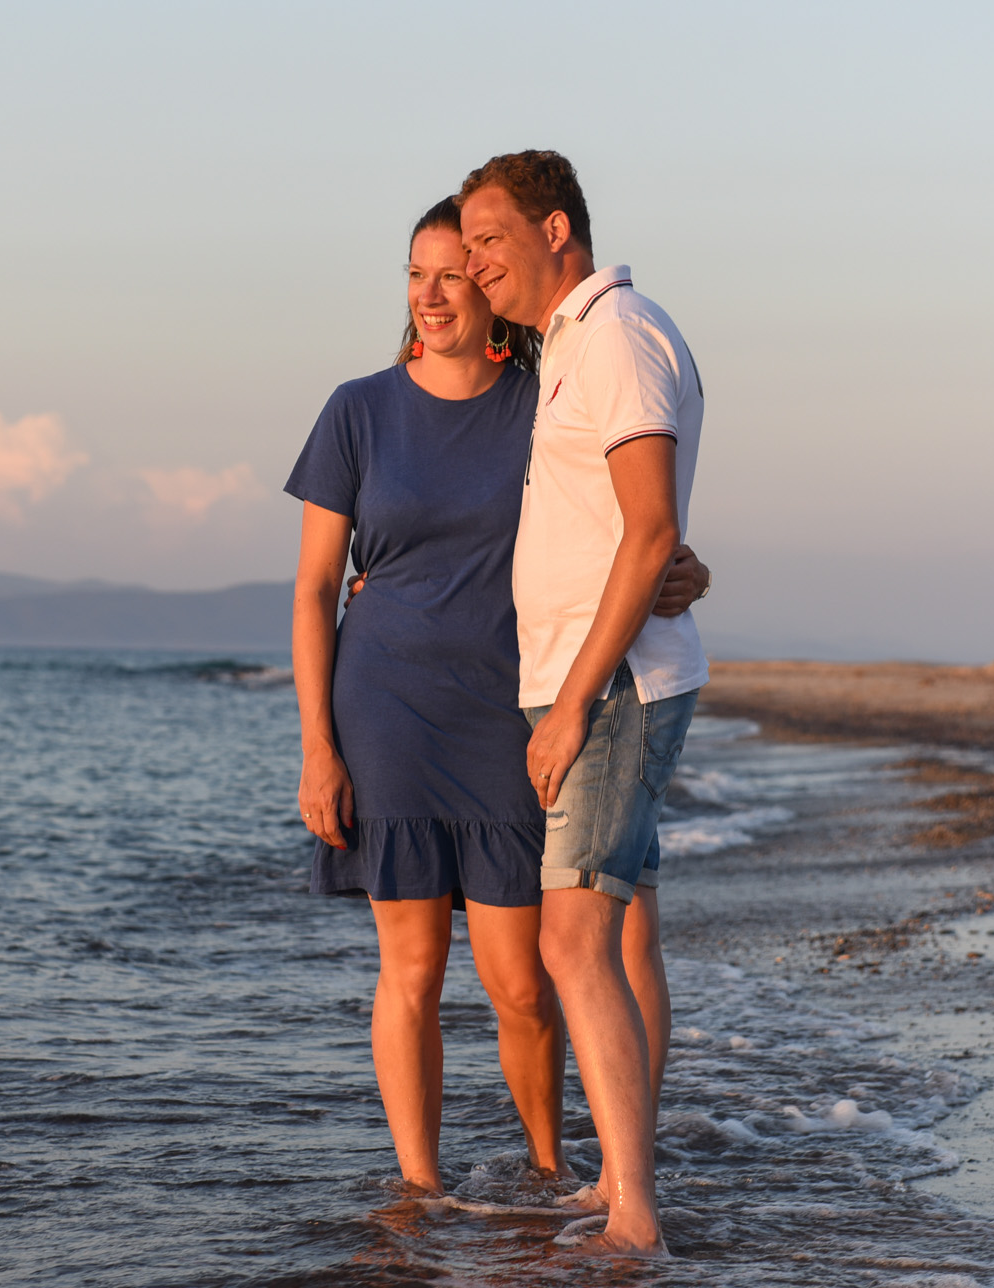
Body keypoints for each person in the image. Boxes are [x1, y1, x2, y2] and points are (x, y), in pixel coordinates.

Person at [287, 196, 711, 1199]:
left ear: (488, 285)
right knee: (411, 969)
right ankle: (420, 1192)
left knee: (523, 980)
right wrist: (316, 745)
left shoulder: (544, 390)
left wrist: (680, 573)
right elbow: (313, 588)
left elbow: (627, 516)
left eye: (456, 271)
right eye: (415, 273)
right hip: (382, 706)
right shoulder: (356, 409)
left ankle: (551, 1168)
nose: (433, 292)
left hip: (511, 706)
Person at [458, 150, 709, 1257]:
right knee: (610, 944)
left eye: (487, 240)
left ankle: (635, 1219)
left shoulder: (613, 334)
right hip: (599, 680)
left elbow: (649, 526)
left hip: (610, 688)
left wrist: (567, 705)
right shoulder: (567, 345)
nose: (472, 267)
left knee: (570, 944)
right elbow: (629, 530)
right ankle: (620, 1185)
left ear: (555, 230)